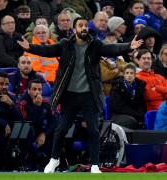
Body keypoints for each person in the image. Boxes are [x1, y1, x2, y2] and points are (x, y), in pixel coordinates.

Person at [17, 17, 143, 173]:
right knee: (61, 129)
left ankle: (95, 165)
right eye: (80, 25)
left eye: (85, 25)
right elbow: (47, 51)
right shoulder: (65, 45)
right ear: (75, 29)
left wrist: (129, 45)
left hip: (88, 95)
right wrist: (29, 47)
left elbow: (111, 49)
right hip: (69, 95)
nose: (83, 28)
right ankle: (54, 160)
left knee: (93, 130)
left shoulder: (95, 45)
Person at [18, 79, 58, 169]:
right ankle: (28, 164)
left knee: (56, 132)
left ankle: (53, 163)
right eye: (34, 89)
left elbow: (54, 121)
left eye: (39, 90)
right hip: (27, 132)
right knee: (28, 131)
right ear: (28, 90)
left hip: (42, 132)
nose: (37, 92)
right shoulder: (22, 103)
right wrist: (37, 107)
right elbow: (27, 122)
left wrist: (44, 134)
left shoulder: (47, 102)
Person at [0, 72, 20, 170]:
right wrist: (3, 123)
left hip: (8, 132)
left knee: (26, 128)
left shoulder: (11, 97)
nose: (5, 87)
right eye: (1, 84)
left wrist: (11, 105)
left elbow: (19, 118)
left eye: (6, 84)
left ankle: (20, 165)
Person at [110, 63, 146, 129]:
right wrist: (135, 114)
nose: (129, 75)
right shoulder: (117, 87)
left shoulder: (139, 86)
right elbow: (117, 107)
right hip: (118, 114)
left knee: (144, 119)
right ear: (123, 75)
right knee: (130, 121)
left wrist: (140, 114)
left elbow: (141, 104)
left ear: (135, 75)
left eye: (131, 73)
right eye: (127, 73)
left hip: (134, 114)